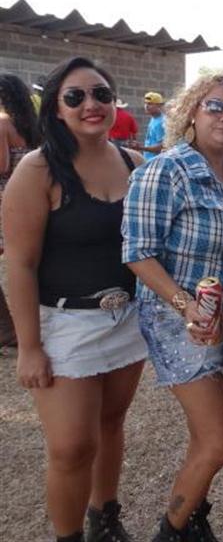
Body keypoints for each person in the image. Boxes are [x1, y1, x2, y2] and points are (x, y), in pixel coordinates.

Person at [3, 57, 147, 542]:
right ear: (56, 108)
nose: (91, 104)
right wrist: (29, 347)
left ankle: (105, 520)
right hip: (63, 324)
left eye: (102, 94)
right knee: (71, 447)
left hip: (127, 318)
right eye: (75, 96)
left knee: (111, 425)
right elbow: (20, 265)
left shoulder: (135, 165)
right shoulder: (37, 169)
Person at [122, 72, 223, 541]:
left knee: (206, 437)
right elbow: (138, 252)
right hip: (176, 319)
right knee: (220, 440)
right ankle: (170, 532)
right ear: (192, 112)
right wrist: (185, 307)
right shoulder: (166, 170)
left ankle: (195, 521)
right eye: (215, 106)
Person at [1, 73, 40, 348]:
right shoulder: (32, 124)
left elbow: (1, 166)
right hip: (32, 197)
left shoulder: (2, 123)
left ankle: (7, 330)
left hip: (6, 199)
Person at [136, 91, 166, 160]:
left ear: (159, 105)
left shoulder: (161, 122)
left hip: (155, 161)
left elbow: (161, 147)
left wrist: (141, 147)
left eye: (150, 104)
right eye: (145, 103)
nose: (146, 106)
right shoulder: (154, 118)